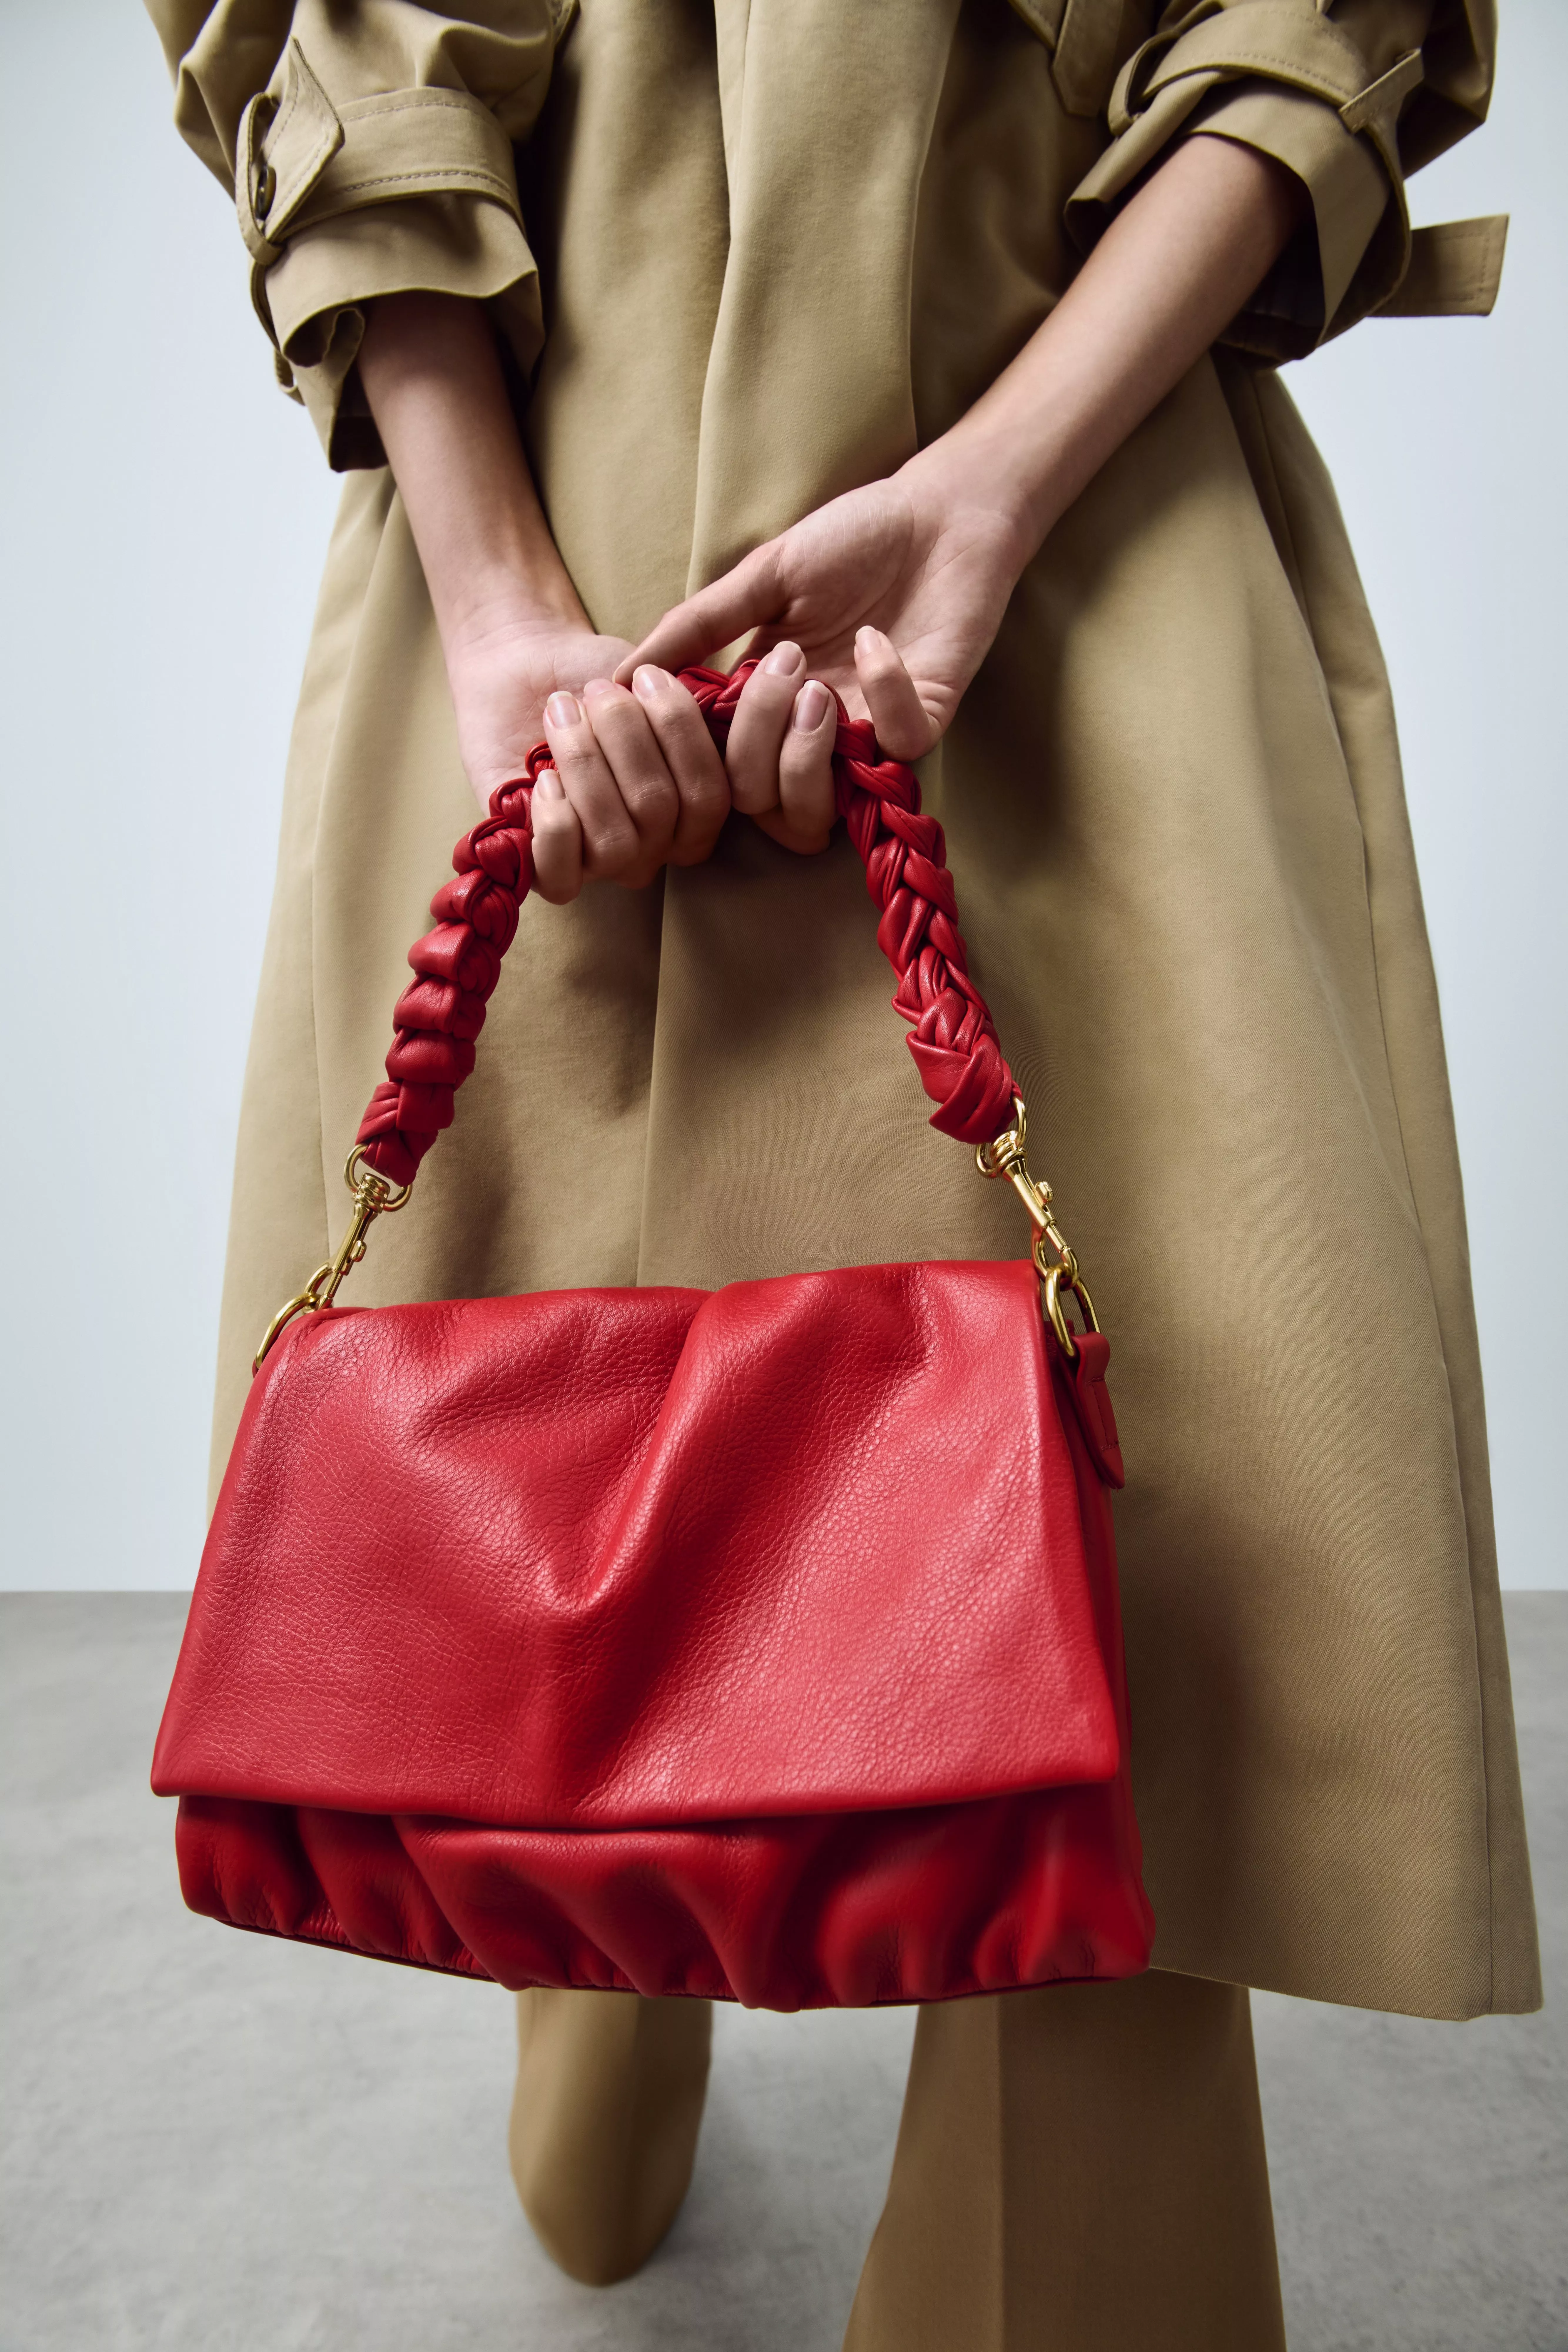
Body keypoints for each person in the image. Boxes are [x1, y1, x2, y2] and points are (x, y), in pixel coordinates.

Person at [147, 1, 1539, 2343]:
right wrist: (500, 611)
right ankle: (622, 1844)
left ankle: (650, 1852)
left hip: (1061, 469)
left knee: (1160, 1510)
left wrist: (992, 488)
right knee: (574, 1387)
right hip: (566, 492)